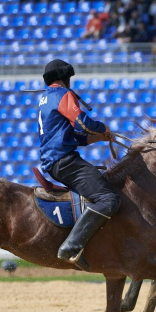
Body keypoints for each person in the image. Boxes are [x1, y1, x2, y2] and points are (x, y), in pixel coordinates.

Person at [37, 59, 119, 270]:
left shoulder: (46, 98)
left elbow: (76, 136)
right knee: (108, 198)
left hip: (55, 160)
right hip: (64, 161)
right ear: (65, 78)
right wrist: (102, 126)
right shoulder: (63, 95)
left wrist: (99, 137)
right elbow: (82, 123)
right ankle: (72, 246)